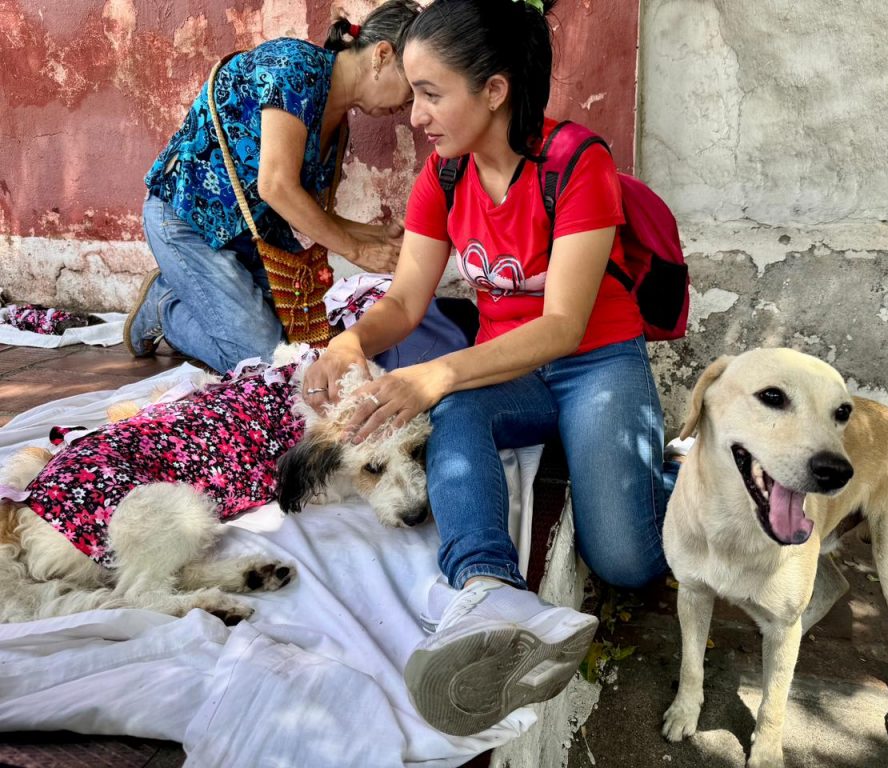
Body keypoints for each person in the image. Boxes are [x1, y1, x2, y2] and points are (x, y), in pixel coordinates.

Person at [302, 0, 679, 736]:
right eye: (413, 93)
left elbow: (565, 324)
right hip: (512, 371)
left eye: (432, 94)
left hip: (595, 361)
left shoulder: (576, 164)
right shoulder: (443, 179)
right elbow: (407, 299)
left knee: (627, 562)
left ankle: (680, 466)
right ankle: (488, 586)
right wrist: (350, 342)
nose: (415, 115)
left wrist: (438, 373)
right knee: (452, 409)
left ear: (496, 90)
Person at [125, 0, 421, 373]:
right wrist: (359, 251)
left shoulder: (339, 124)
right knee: (266, 361)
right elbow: (276, 186)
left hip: (252, 239)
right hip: (188, 221)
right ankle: (165, 304)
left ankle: (192, 294)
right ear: (382, 55)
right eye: (412, 90)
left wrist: (378, 235)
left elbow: (305, 211)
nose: (411, 108)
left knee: (305, 346)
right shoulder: (294, 65)